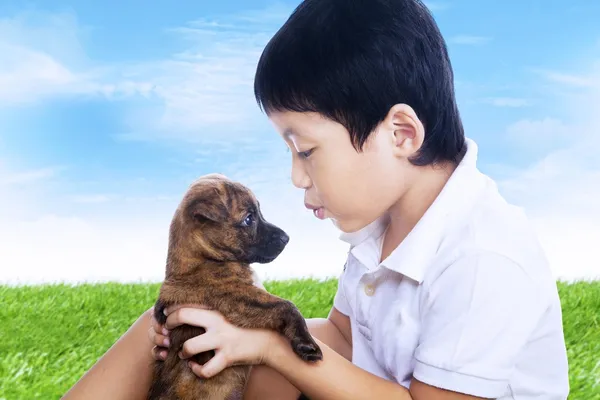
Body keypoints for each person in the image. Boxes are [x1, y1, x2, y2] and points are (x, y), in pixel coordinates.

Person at [63, 0, 570, 399]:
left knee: (259, 355)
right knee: (167, 330)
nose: (296, 177)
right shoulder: (381, 229)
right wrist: (235, 329)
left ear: (400, 134)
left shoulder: (482, 257)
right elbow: (347, 341)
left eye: (306, 151)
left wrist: (270, 347)